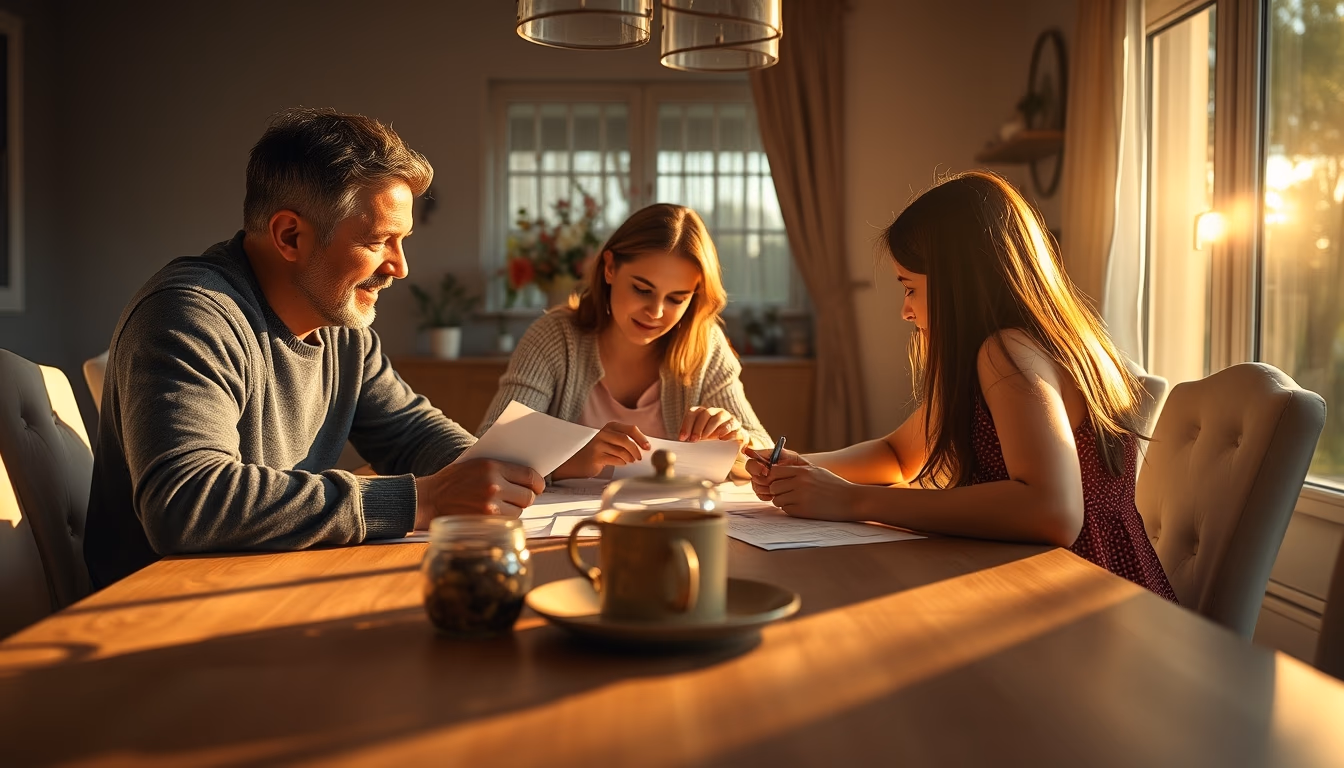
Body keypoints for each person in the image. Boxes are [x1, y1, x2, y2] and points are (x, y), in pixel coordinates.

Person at [84, 107, 543, 588]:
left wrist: (489, 472)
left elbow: (411, 435)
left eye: (402, 241)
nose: (399, 267)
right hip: (164, 612)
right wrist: (422, 501)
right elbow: (188, 502)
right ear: (290, 235)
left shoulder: (343, 328)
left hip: (271, 581)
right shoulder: (189, 314)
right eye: (378, 241)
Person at [747, 171, 1176, 599]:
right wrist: (800, 468)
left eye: (911, 289)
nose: (905, 311)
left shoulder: (1008, 351)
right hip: (1061, 577)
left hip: (1083, 590)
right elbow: (898, 454)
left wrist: (852, 500)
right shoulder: (1026, 344)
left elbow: (1053, 512)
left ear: (960, 283)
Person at [479, 203, 772, 481]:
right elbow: (488, 451)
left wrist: (739, 443)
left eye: (676, 298)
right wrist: (575, 457)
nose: (656, 312)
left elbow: (767, 461)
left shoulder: (705, 346)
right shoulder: (554, 338)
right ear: (609, 268)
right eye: (642, 289)